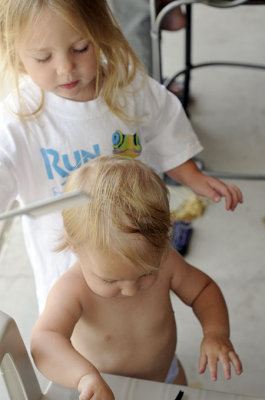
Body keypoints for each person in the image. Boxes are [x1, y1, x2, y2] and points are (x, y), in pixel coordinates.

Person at [0, 0, 242, 314]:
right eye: (43, 57)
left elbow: (162, 128)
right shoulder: (18, 118)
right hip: (66, 266)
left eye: (81, 48)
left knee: (143, 322)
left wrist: (192, 176)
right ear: (15, 52)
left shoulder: (127, 88)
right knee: (78, 337)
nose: (65, 68)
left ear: (100, 32)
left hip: (135, 253)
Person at [31, 156, 243, 400]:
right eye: (110, 280)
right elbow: (44, 341)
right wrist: (83, 377)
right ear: (75, 246)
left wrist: (216, 332)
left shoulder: (166, 262)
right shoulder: (72, 289)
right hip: (103, 389)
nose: (132, 289)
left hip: (165, 376)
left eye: (146, 273)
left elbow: (203, 289)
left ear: (165, 238)